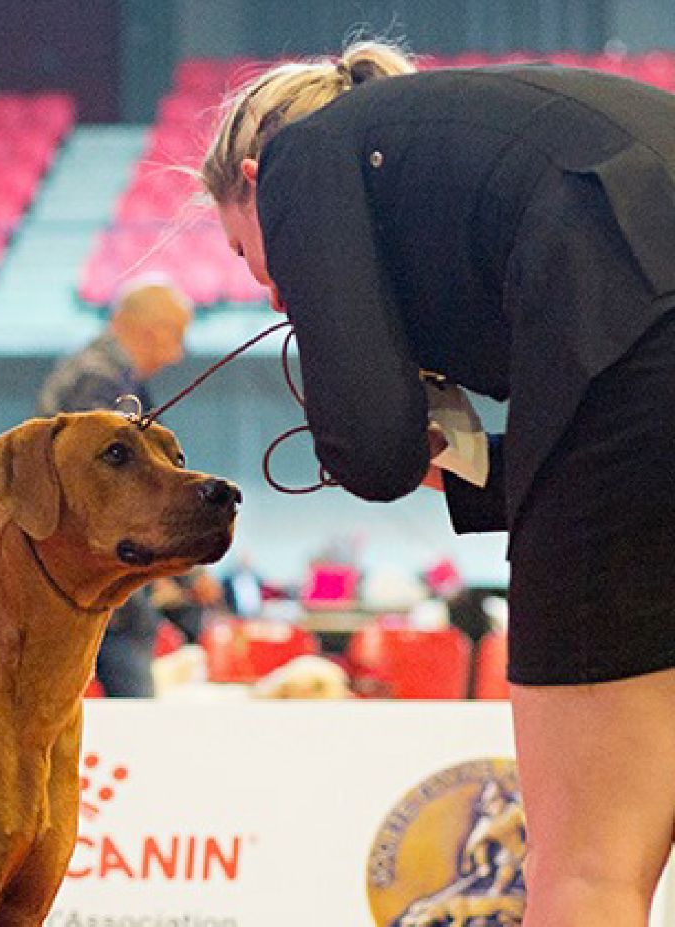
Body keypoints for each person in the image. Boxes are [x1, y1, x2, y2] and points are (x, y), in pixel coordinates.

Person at [200, 39, 675, 927]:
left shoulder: (304, 160)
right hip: (637, 375)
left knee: (586, 867)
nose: (271, 294)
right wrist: (463, 470)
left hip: (637, 364)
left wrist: (393, 435)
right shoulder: (472, 155)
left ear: (258, 183)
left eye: (245, 251)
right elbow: (590, 443)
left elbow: (374, 450)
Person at [36, 274, 194, 696]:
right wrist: (156, 563)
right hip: (100, 578)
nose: (179, 353)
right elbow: (108, 487)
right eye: (178, 335)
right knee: (132, 707)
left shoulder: (97, 374)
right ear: (151, 330)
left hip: (81, 572)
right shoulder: (101, 382)